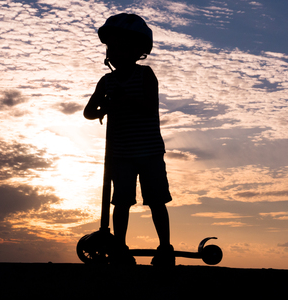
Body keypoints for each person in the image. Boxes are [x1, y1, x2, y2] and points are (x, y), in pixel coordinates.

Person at [84, 13, 174, 266]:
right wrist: (104, 110)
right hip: (121, 154)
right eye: (112, 47)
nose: (116, 52)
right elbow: (88, 112)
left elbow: (150, 106)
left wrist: (125, 101)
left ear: (138, 51)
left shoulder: (145, 75)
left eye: (123, 47)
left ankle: (165, 248)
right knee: (121, 202)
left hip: (149, 152)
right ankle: (120, 248)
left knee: (157, 201)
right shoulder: (106, 81)